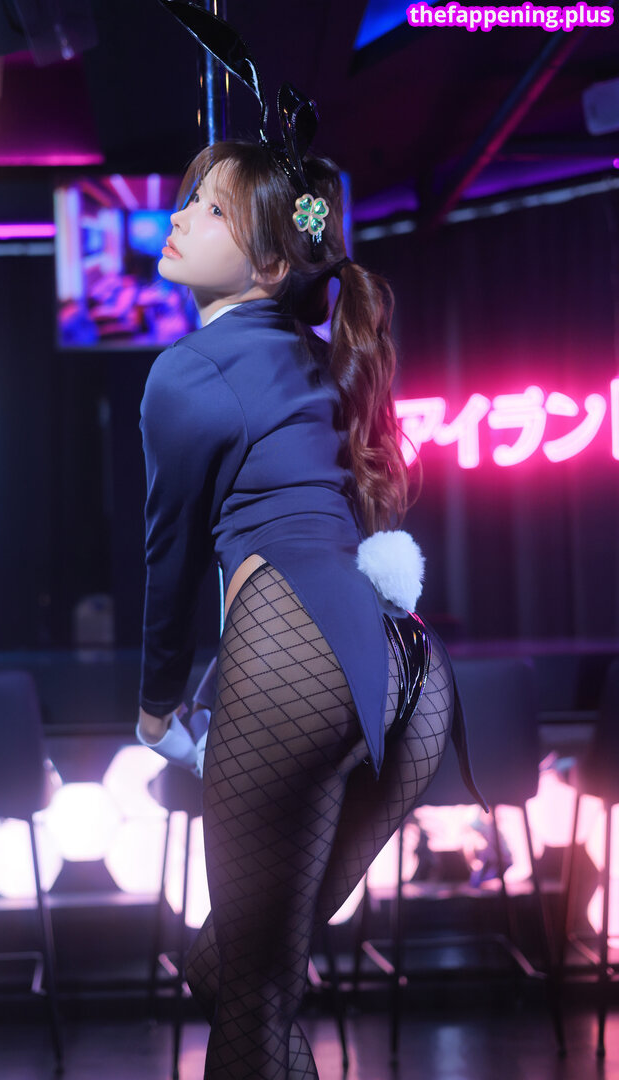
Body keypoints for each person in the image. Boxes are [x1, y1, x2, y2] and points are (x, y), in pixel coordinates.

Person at [135, 136, 486, 1080]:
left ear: (271, 265)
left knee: (250, 996)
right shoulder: (326, 358)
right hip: (412, 672)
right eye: (188, 199)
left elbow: (170, 557)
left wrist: (156, 707)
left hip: (297, 656)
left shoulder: (188, 371)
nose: (178, 217)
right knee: (239, 974)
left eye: (210, 208)